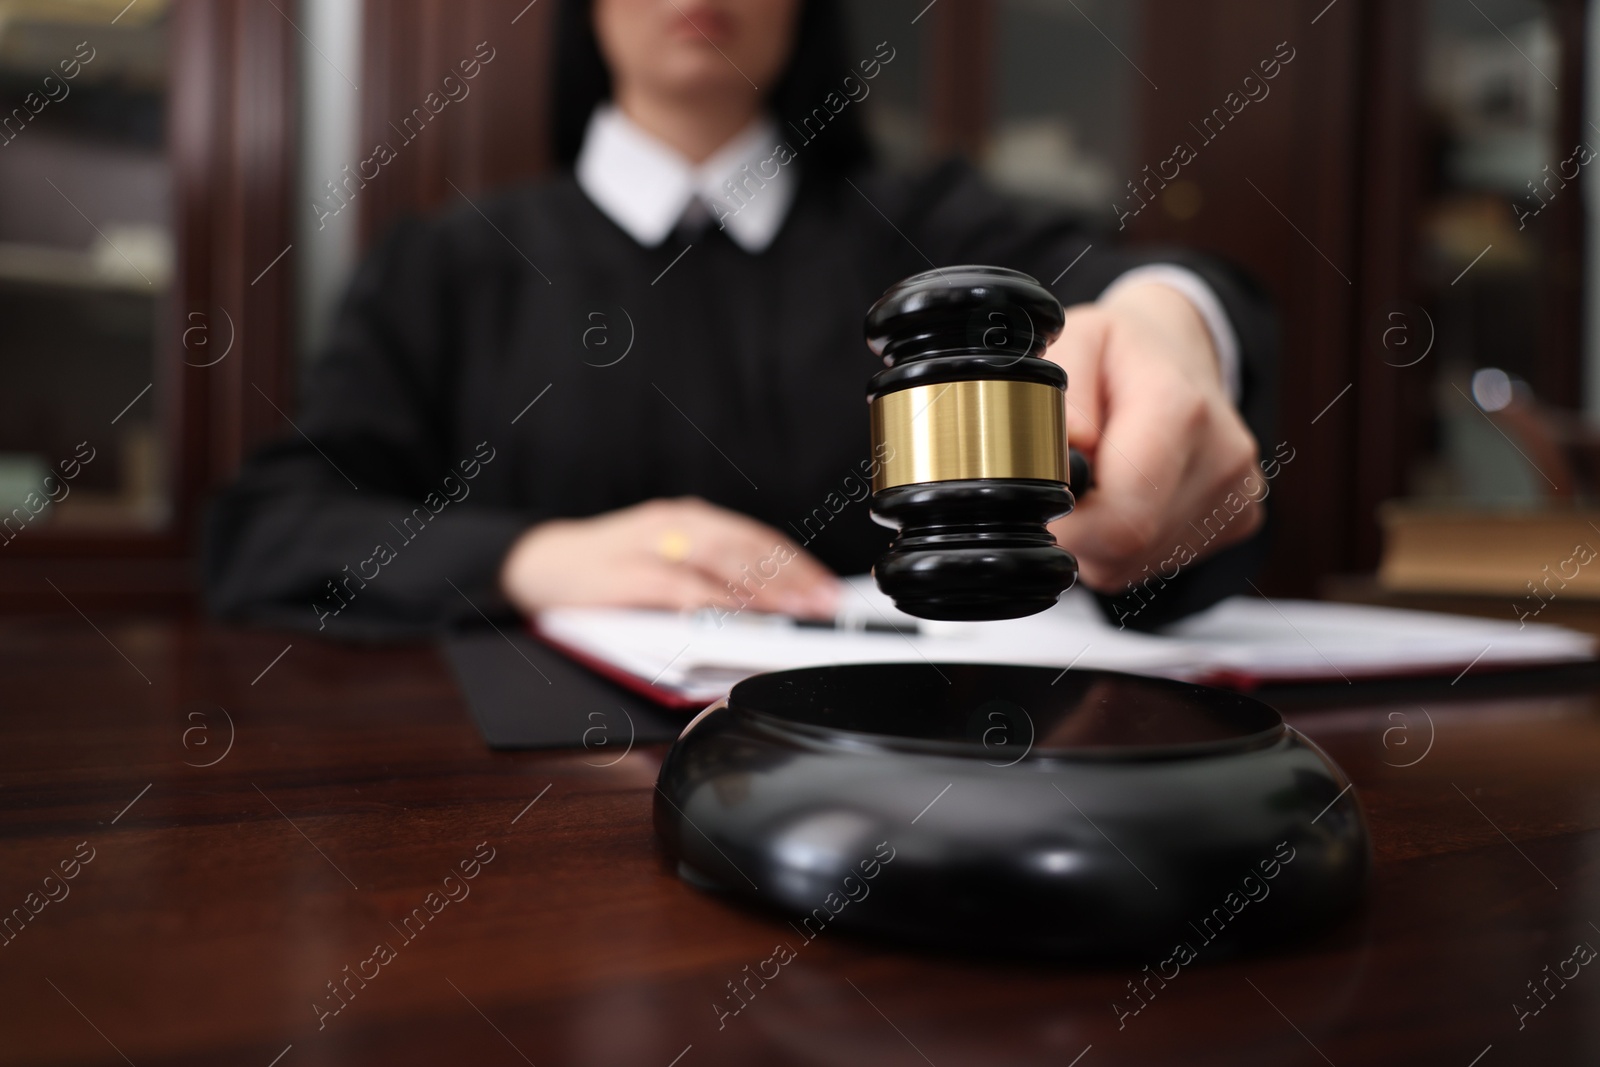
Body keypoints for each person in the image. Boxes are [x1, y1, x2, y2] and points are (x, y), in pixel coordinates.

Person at [205, 0, 1275, 639]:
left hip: (918, 779)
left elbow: (1146, 282)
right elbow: (272, 526)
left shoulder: (924, 227)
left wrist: (1170, 320)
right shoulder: (445, 262)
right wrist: (531, 557)